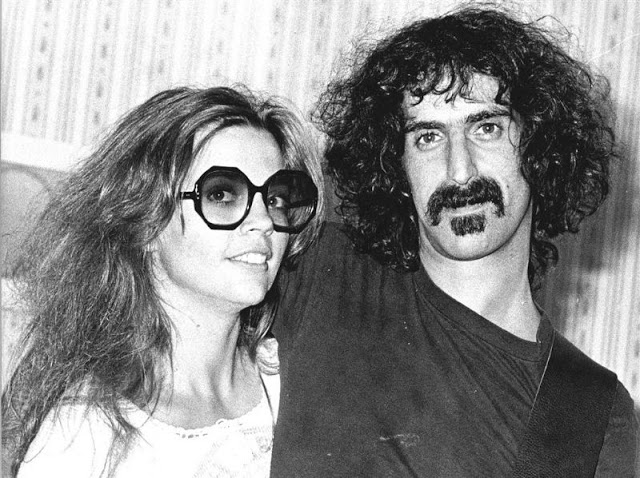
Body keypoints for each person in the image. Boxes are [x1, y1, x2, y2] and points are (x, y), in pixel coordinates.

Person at [270, 6, 638, 477]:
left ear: (540, 150)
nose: (459, 170)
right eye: (428, 137)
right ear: (396, 166)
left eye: (486, 128)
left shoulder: (592, 412)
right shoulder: (319, 269)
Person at [1, 86, 324, 477]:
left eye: (275, 199)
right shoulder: (82, 434)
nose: (263, 222)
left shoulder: (297, 382)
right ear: (147, 223)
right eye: (222, 194)